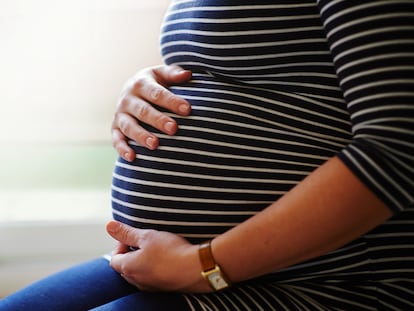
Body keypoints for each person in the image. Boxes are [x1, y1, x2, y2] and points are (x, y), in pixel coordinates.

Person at [1, 0, 413, 310]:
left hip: (330, 281)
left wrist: (205, 267)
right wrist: (143, 94)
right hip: (185, 263)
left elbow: (397, 146)